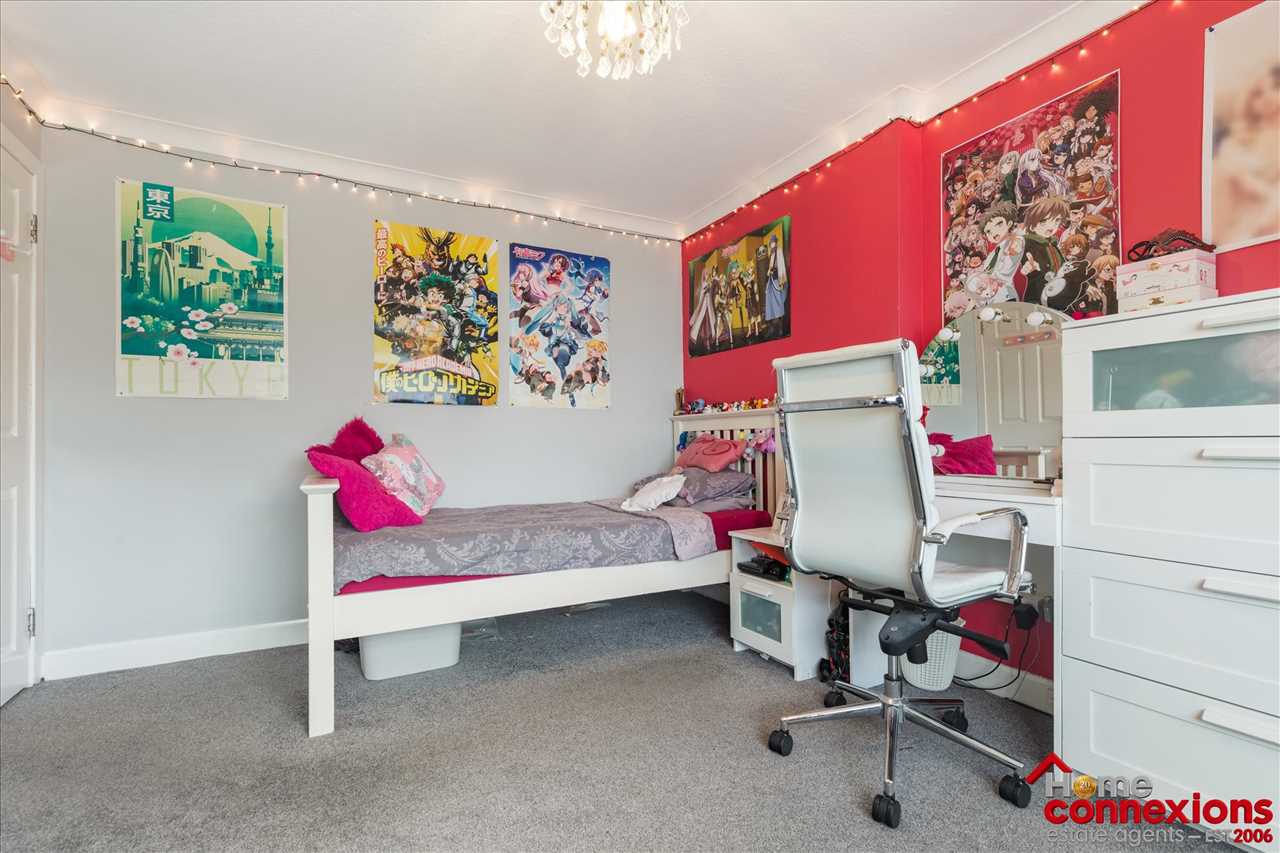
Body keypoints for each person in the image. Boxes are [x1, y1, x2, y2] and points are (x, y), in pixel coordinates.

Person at [1020, 195, 1070, 306]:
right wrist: (1030, 269)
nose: (1051, 226)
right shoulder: (1027, 244)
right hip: (1037, 297)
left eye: (1056, 221)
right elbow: (1025, 268)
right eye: (1043, 221)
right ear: (1032, 226)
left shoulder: (1052, 244)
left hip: (1057, 294)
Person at [763, 233, 789, 334]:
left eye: (773, 243)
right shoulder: (771, 254)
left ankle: (780, 328)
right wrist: (768, 271)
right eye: (771, 243)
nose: (771, 244)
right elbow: (770, 267)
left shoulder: (779, 252)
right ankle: (772, 327)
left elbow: (781, 266)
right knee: (770, 302)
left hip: (777, 280)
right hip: (771, 280)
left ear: (775, 243)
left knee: (778, 302)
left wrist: (775, 274)